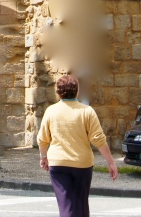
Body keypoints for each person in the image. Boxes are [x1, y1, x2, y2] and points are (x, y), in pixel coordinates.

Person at [37, 75, 118, 217]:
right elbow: (98, 139)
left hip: (58, 163)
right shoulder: (87, 111)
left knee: (66, 205)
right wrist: (111, 162)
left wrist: (43, 157)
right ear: (77, 91)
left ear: (58, 91)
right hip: (82, 164)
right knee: (81, 205)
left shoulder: (51, 111)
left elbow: (42, 139)